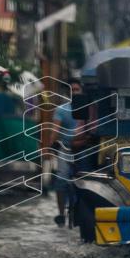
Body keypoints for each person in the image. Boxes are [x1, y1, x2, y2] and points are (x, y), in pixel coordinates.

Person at [53, 79, 84, 227]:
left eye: (77, 89)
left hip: (84, 149)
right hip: (65, 149)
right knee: (61, 179)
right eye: (72, 90)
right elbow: (54, 131)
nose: (75, 92)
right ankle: (60, 213)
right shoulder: (61, 110)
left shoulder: (88, 108)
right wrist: (52, 145)